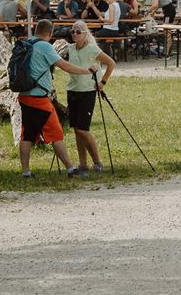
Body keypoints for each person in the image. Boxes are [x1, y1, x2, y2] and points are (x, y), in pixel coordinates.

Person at [12, 20, 91, 179]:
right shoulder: (45, 46)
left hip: (24, 95)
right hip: (39, 98)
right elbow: (64, 66)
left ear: (36, 30)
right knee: (56, 134)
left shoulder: (26, 43)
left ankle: (26, 172)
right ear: (50, 33)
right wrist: (86, 71)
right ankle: (71, 170)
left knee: (27, 135)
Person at [60, 20, 116, 173]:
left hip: (87, 92)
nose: (75, 34)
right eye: (73, 32)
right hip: (72, 91)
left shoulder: (92, 48)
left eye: (78, 32)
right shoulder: (70, 48)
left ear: (85, 34)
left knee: (83, 129)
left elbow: (111, 63)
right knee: (77, 130)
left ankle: (97, 162)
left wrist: (102, 82)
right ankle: (82, 163)